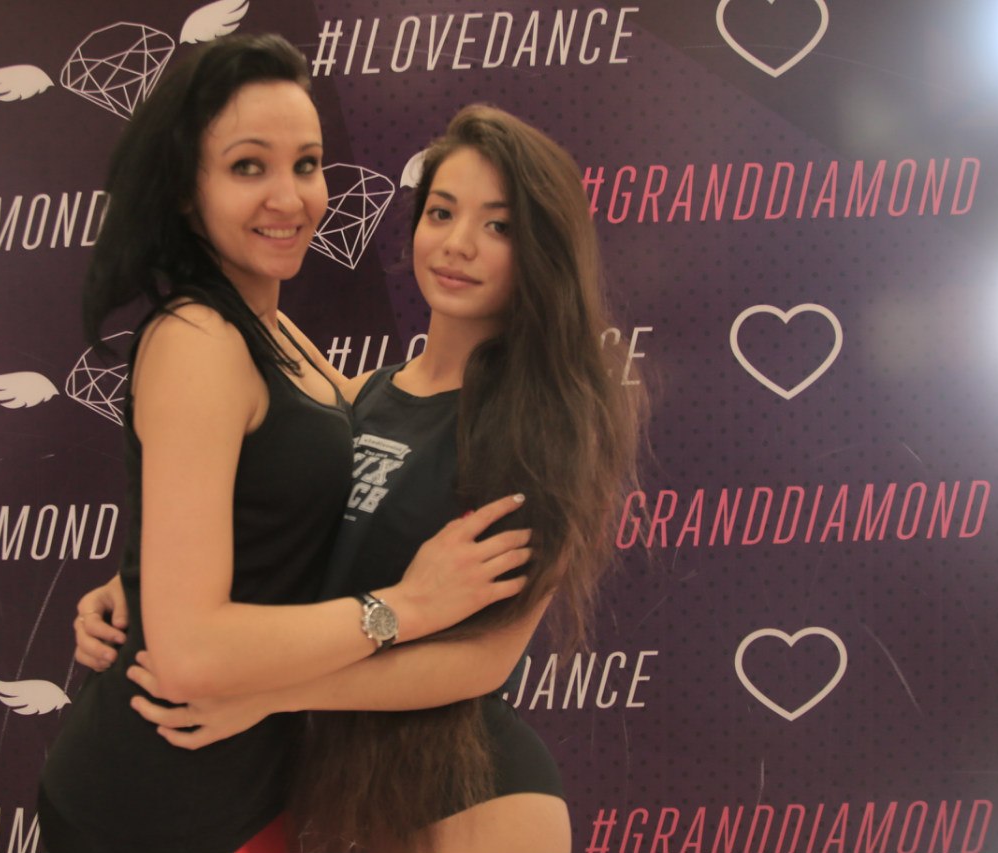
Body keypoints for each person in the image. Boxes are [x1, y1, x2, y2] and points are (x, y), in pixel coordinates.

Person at [77, 105, 647, 852]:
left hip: (471, 798)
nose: (459, 243)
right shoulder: (356, 395)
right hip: (335, 792)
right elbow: (266, 529)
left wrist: (270, 694)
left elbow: (485, 660)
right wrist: (142, 585)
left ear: (542, 251)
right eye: (441, 212)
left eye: (499, 226)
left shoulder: (543, 431)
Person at [37, 36, 534, 853]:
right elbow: (189, 652)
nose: (289, 196)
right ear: (187, 189)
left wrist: (138, 579)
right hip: (157, 804)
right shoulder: (200, 338)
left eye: (306, 164)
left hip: (252, 781)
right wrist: (404, 608)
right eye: (247, 166)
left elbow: (275, 498)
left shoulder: (276, 331)